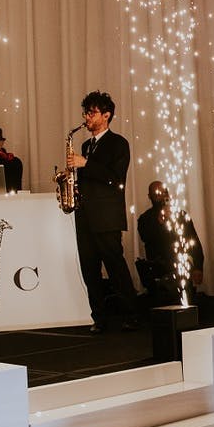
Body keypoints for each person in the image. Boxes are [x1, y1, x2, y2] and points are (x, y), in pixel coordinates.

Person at [66, 91, 140, 333]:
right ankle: (99, 317)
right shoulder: (87, 145)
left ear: (106, 116)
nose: (87, 117)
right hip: (85, 215)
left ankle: (131, 314)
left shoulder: (118, 144)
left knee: (115, 266)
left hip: (107, 216)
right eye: (86, 112)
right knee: (90, 268)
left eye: (92, 112)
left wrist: (85, 164)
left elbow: (115, 178)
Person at [135, 180, 204, 307]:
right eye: (156, 193)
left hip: (181, 268)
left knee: (185, 306)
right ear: (149, 196)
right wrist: (160, 223)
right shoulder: (145, 219)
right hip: (159, 273)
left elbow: (193, 240)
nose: (161, 195)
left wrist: (198, 266)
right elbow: (146, 237)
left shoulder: (181, 215)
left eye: (164, 192)